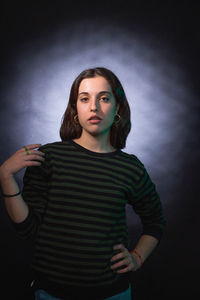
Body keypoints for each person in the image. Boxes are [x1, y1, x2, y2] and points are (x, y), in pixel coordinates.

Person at [0, 67, 166, 300]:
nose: (94, 107)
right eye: (84, 98)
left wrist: (137, 257)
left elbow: (155, 221)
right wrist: (6, 177)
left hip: (113, 294)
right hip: (52, 293)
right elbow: (28, 229)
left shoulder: (130, 167)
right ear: (75, 109)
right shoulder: (49, 157)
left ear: (117, 107)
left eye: (104, 98)